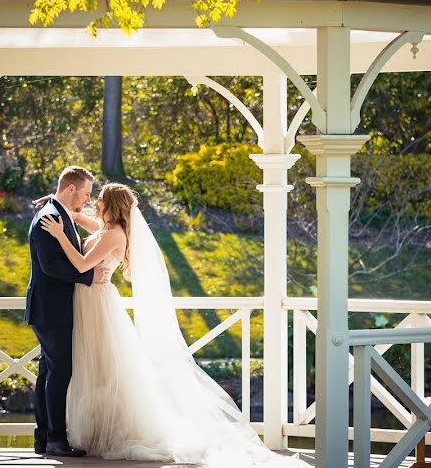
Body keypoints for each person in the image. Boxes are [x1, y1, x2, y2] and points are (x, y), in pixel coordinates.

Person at [38, 183, 308, 467]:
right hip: (85, 301)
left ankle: (109, 431)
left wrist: (59, 234)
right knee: (91, 368)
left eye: (100, 201)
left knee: (105, 369)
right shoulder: (107, 228)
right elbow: (90, 224)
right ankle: (89, 429)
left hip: (96, 303)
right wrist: (65, 208)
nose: (94, 204)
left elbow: (81, 264)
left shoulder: (114, 234)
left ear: (112, 207)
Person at [25, 165, 96, 457]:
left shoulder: (58, 212)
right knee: (60, 373)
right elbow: (50, 266)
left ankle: (44, 438)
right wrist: (87, 276)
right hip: (51, 310)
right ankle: (55, 439)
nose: (87, 200)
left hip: (52, 308)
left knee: (48, 373)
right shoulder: (49, 217)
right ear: (71, 189)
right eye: (86, 194)